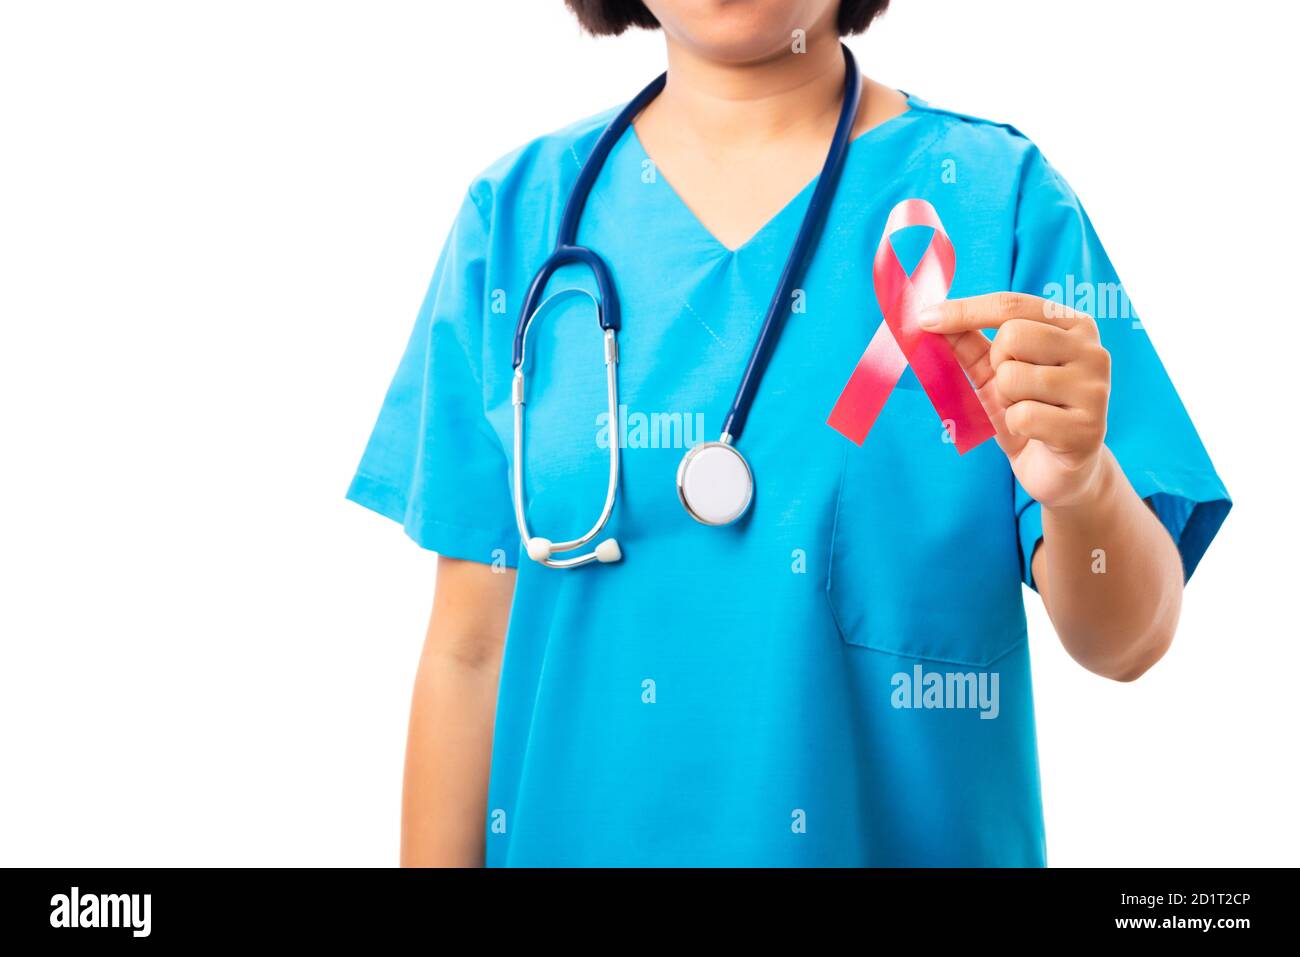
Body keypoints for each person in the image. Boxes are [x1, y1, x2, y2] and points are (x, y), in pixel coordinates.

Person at [346, 0, 1231, 866]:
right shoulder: (516, 222)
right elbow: (469, 654)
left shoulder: (994, 202)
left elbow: (1129, 641)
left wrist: (1085, 489)